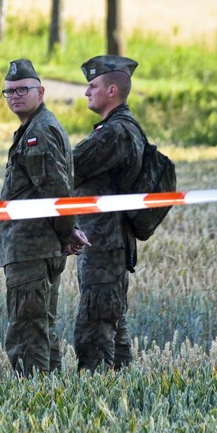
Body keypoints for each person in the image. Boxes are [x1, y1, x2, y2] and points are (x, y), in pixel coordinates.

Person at [0, 58, 90, 377]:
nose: (15, 96)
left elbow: (56, 192)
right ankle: (49, 396)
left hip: (32, 248)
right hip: (37, 247)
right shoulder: (36, 127)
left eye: (23, 89)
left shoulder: (39, 131)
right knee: (41, 329)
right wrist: (69, 230)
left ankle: (32, 404)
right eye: (9, 92)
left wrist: (67, 233)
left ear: (41, 91)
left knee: (28, 332)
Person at [71, 54, 146, 373]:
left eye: (93, 85)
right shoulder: (121, 128)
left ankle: (97, 396)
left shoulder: (114, 133)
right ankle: (122, 392)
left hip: (103, 243)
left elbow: (68, 167)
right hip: (106, 242)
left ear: (112, 91)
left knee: (95, 325)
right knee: (112, 323)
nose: (87, 92)